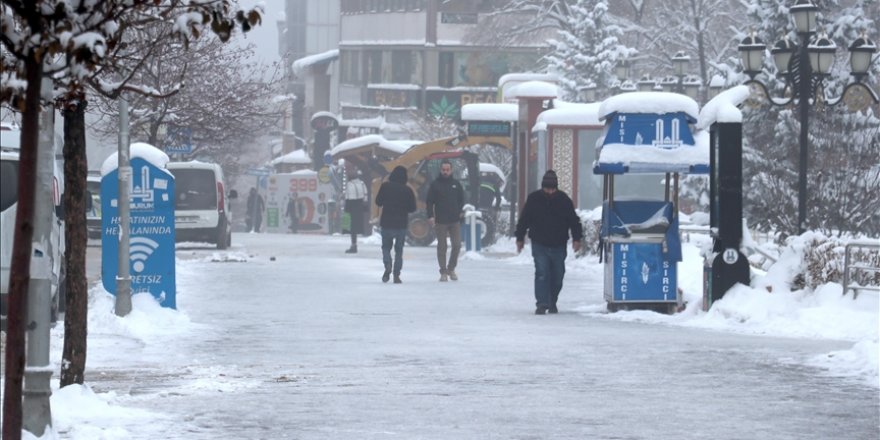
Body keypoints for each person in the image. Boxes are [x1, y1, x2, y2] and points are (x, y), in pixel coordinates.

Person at [515, 170, 583, 315]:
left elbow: (573, 220)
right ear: (543, 187)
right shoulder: (534, 199)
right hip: (539, 243)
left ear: (556, 187)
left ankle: (552, 301)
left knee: (558, 275)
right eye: (547, 188)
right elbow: (524, 219)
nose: (550, 191)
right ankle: (542, 303)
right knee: (542, 273)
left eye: (552, 189)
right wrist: (519, 237)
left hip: (559, 244)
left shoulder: (564, 200)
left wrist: (577, 238)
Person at [375, 166, 416, 283]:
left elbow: (378, 201)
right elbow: (412, 208)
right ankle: (396, 275)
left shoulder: (385, 187)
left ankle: (387, 264)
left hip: (387, 223)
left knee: (386, 247)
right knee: (399, 250)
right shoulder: (408, 190)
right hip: (401, 224)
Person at [426, 160, 464, 282]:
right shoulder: (435, 184)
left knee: (457, 245)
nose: (445, 172)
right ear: (440, 170)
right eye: (443, 170)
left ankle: (451, 268)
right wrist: (430, 216)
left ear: (451, 170)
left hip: (454, 220)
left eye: (448, 170)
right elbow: (429, 202)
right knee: (442, 247)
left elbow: (462, 199)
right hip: (440, 220)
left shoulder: (456, 184)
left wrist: (460, 211)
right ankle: (443, 271)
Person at [343, 170, 368, 253]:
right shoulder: (362, 183)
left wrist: (346, 209)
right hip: (360, 205)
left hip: (351, 206)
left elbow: (348, 196)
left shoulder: (349, 184)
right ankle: (354, 244)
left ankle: (353, 245)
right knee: (357, 225)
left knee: (352, 227)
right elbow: (365, 195)